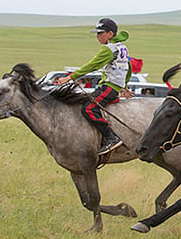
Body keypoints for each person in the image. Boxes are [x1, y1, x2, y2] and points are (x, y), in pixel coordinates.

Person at [53, 18, 132, 155]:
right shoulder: (121, 47)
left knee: (89, 108)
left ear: (110, 34)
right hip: (113, 87)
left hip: (109, 87)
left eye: (100, 33)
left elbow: (91, 66)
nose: (97, 36)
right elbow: (128, 67)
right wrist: (124, 86)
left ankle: (111, 137)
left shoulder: (109, 49)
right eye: (97, 33)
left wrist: (69, 78)